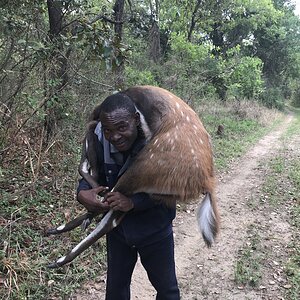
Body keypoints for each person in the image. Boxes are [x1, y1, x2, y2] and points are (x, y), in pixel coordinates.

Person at [77, 92, 180, 300]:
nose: (114, 136)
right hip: (117, 230)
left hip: (155, 230)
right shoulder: (98, 135)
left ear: (135, 120)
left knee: (167, 290)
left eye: (122, 127)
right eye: (108, 130)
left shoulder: (161, 140)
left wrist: (133, 202)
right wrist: (82, 193)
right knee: (116, 290)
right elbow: (88, 169)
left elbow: (174, 188)